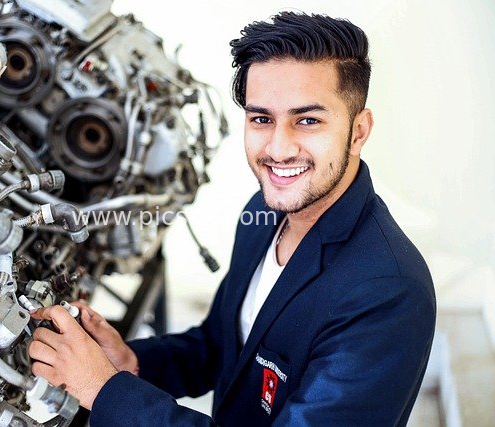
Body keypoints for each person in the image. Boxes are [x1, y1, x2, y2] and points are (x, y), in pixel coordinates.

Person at [28, 11, 436, 426]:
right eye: (262, 118)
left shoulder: (387, 293)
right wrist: (131, 361)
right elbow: (221, 343)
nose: (278, 149)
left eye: (307, 120)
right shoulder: (263, 212)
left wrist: (104, 391)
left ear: (359, 130)